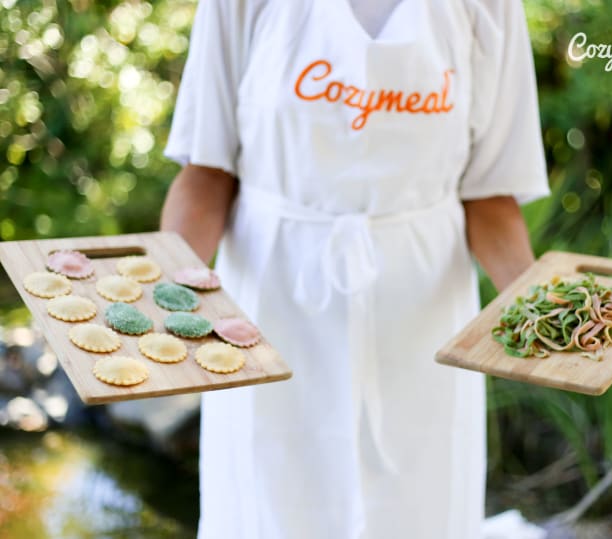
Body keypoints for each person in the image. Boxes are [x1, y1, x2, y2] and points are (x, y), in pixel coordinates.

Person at [161, 0, 550, 537]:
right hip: (268, 320)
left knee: (418, 512)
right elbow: (207, 174)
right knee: (270, 508)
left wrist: (549, 320)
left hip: (425, 330)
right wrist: (154, 300)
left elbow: (490, 199)